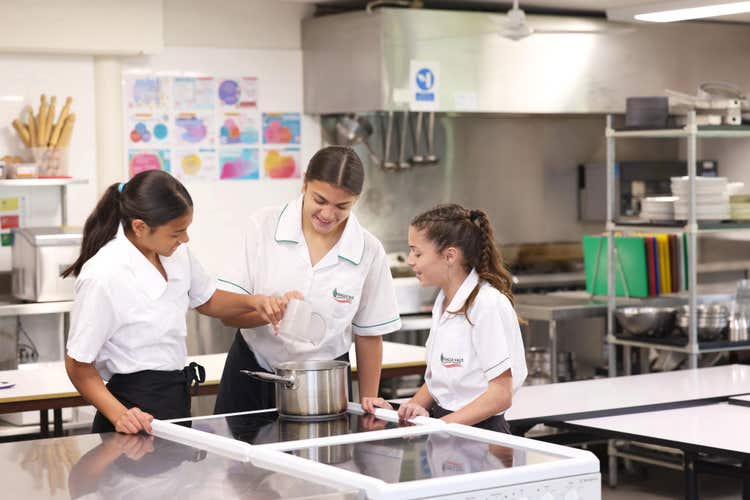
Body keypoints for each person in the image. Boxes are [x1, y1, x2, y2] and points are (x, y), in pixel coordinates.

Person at [65, 170, 286, 435]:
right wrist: (120, 415)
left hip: (174, 397)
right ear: (139, 227)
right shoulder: (104, 274)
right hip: (131, 410)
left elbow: (209, 300)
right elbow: (78, 364)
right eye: (176, 232)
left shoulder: (176, 255)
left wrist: (256, 303)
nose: (185, 239)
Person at [214, 146, 402, 414]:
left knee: (321, 456)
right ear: (304, 183)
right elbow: (226, 315)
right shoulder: (263, 226)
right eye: (320, 200)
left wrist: (368, 400)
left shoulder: (368, 251)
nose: (328, 214)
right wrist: (266, 310)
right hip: (253, 374)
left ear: (355, 201)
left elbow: (369, 334)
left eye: (342, 206)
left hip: (324, 386)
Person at [362, 204, 527, 433]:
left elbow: (500, 395)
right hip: (448, 428)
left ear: (450, 256)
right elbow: (441, 380)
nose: (410, 260)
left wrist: (440, 426)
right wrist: (409, 408)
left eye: (417, 253)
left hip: (483, 433)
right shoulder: (443, 302)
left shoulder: (487, 304)